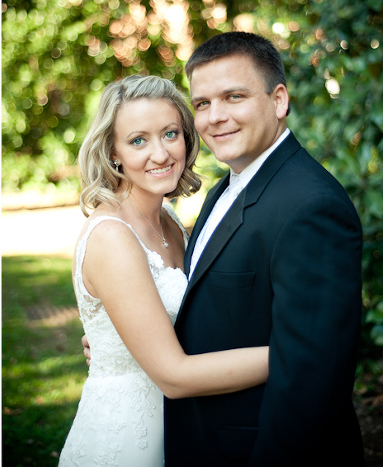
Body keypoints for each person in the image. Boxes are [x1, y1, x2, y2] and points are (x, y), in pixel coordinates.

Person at [164, 31, 363, 465]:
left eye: (233, 97)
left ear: (278, 100)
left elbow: (311, 380)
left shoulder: (311, 207)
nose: (215, 117)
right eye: (202, 104)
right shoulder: (224, 188)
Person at [60, 75, 269, 466]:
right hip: (128, 435)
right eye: (138, 140)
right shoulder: (112, 237)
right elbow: (173, 375)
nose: (160, 154)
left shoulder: (169, 218)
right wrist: (291, 354)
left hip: (184, 427)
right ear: (113, 152)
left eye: (170, 133)